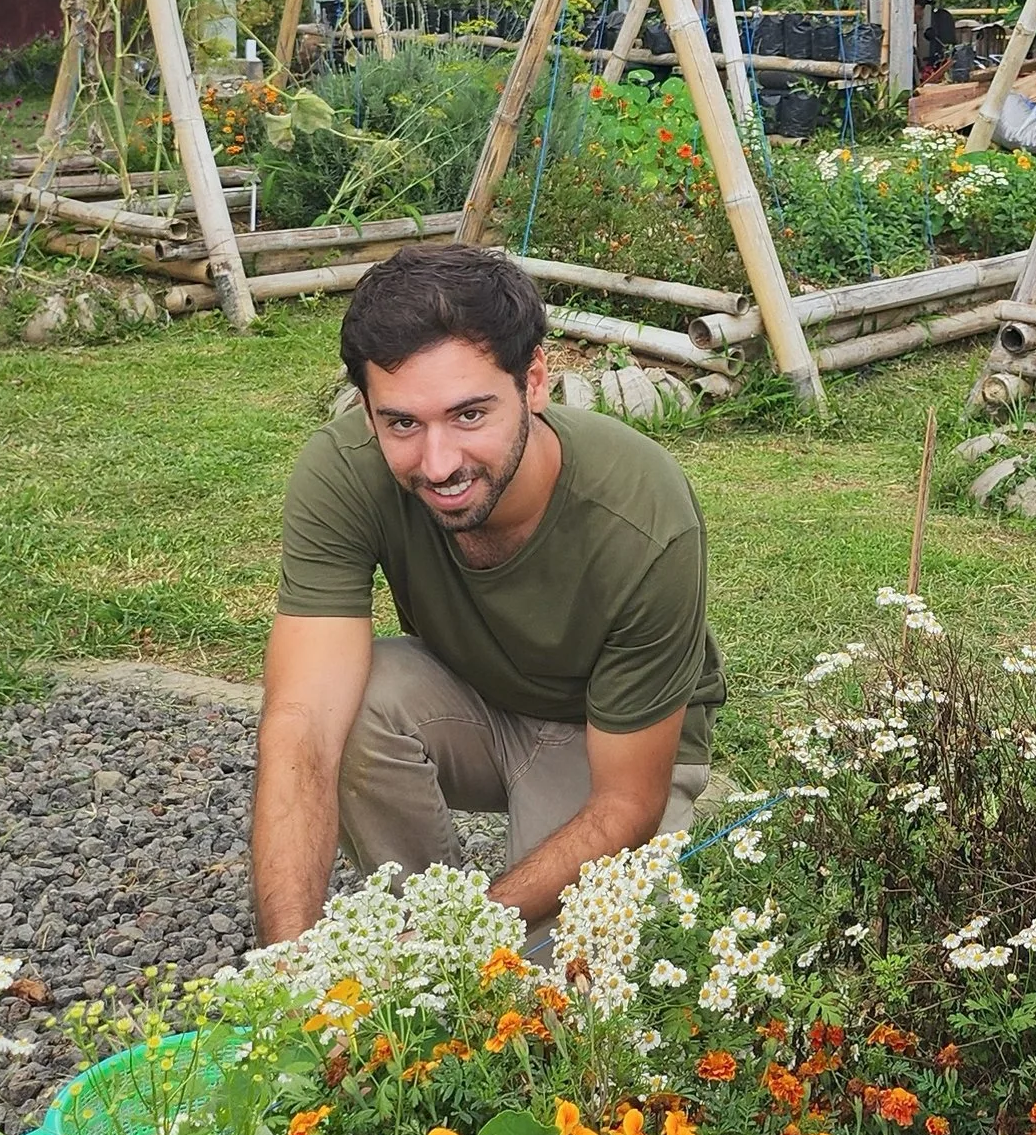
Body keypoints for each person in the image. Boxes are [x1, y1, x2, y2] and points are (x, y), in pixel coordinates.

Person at [250, 244, 726, 946]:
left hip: (614, 749)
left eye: (469, 414)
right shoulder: (343, 469)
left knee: (563, 995)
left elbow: (625, 801)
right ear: (366, 406)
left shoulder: (643, 515)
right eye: (402, 422)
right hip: (478, 706)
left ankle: (442, 949)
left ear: (534, 381)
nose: (437, 462)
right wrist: (285, 959)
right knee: (347, 704)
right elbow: (300, 726)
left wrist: (464, 934)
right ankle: (412, 949)